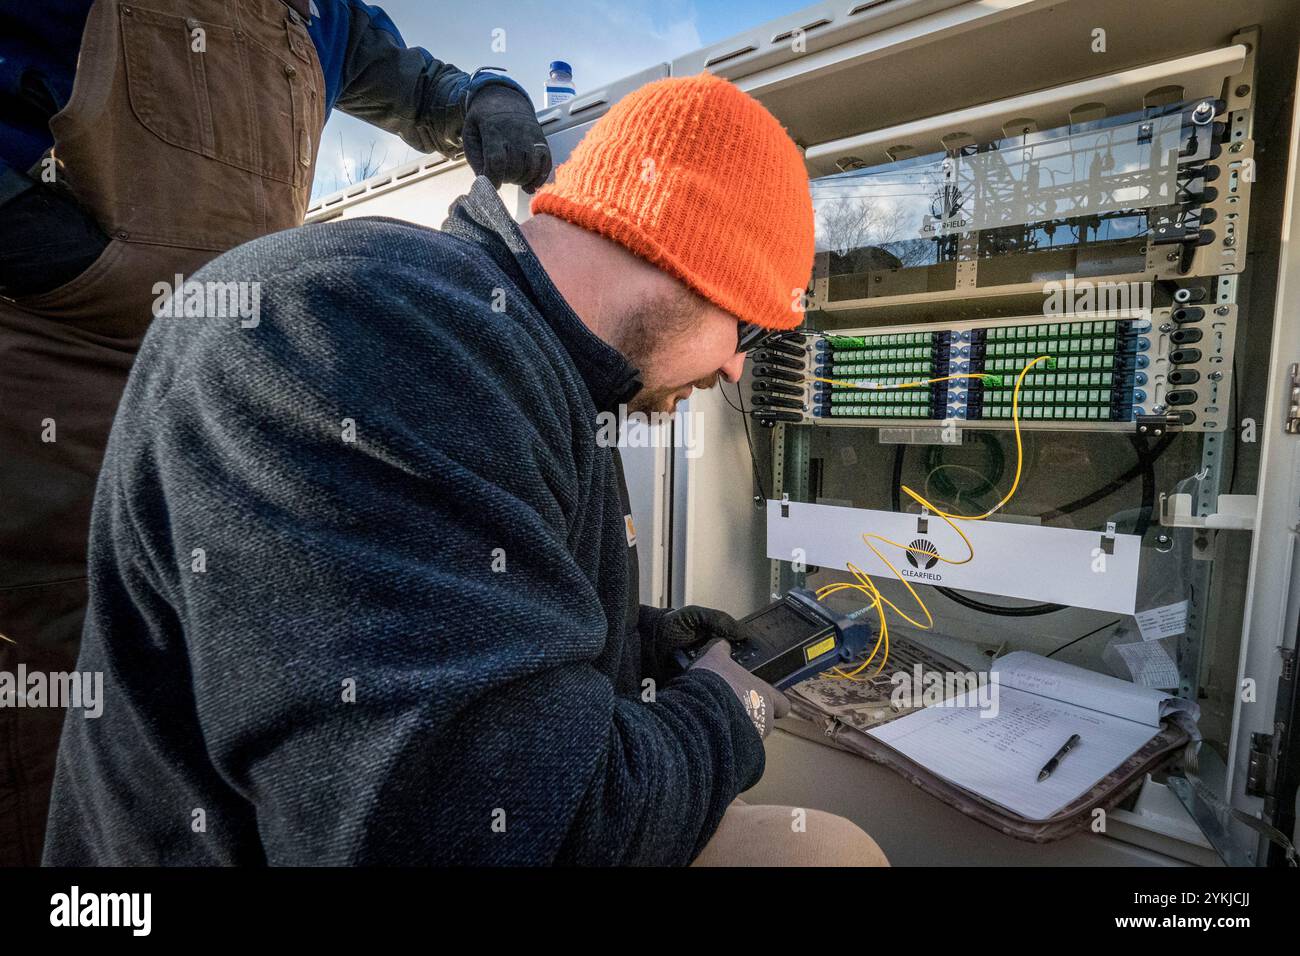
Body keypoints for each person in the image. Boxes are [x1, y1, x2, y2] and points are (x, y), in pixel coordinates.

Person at [42, 73, 888, 866]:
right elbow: (505, 829)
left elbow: (468, 617)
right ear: (690, 256)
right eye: (748, 333)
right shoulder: (365, 326)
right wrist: (730, 709)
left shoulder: (525, 365)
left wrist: (647, 645)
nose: (739, 372)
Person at [0, 0, 550, 866]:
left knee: (223, 661)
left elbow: (411, 80)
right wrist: (53, 255)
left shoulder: (325, 12)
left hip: (231, 375)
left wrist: (482, 96)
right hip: (70, 362)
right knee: (61, 693)